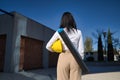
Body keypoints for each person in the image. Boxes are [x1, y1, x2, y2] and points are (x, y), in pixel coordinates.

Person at [46, 12, 84, 80]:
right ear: (72, 20)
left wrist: (57, 49)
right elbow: (81, 50)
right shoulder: (79, 32)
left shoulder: (59, 32)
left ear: (63, 20)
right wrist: (80, 62)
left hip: (63, 56)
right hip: (76, 58)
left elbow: (48, 46)